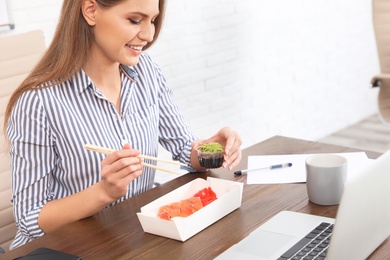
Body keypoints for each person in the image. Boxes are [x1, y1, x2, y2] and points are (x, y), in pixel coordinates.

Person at [3, 0, 242, 250]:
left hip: (131, 236)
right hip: (68, 248)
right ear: (91, 10)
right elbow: (30, 217)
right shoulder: (37, 102)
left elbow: (184, 149)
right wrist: (104, 192)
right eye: (135, 20)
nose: (149, 35)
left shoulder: (147, 71)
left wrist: (210, 150)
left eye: (152, 20)